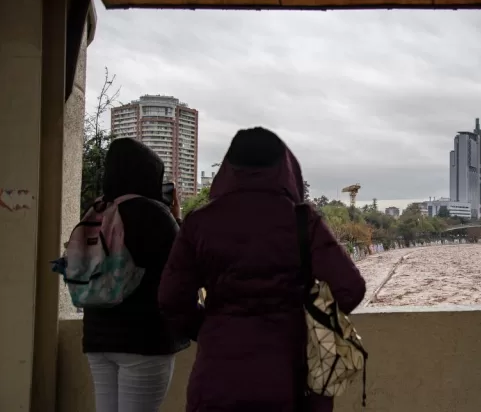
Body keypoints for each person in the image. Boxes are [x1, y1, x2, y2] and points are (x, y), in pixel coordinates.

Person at [159, 127, 366, 412]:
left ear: (227, 169)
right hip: (287, 378)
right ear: (286, 168)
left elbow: (171, 298)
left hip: (216, 377)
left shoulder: (199, 222)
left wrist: (209, 326)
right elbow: (351, 289)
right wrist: (305, 312)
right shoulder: (303, 221)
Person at [83, 138, 190, 412]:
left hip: (97, 335)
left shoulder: (96, 211)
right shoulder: (155, 214)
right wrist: (175, 217)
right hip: (143, 338)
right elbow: (184, 265)